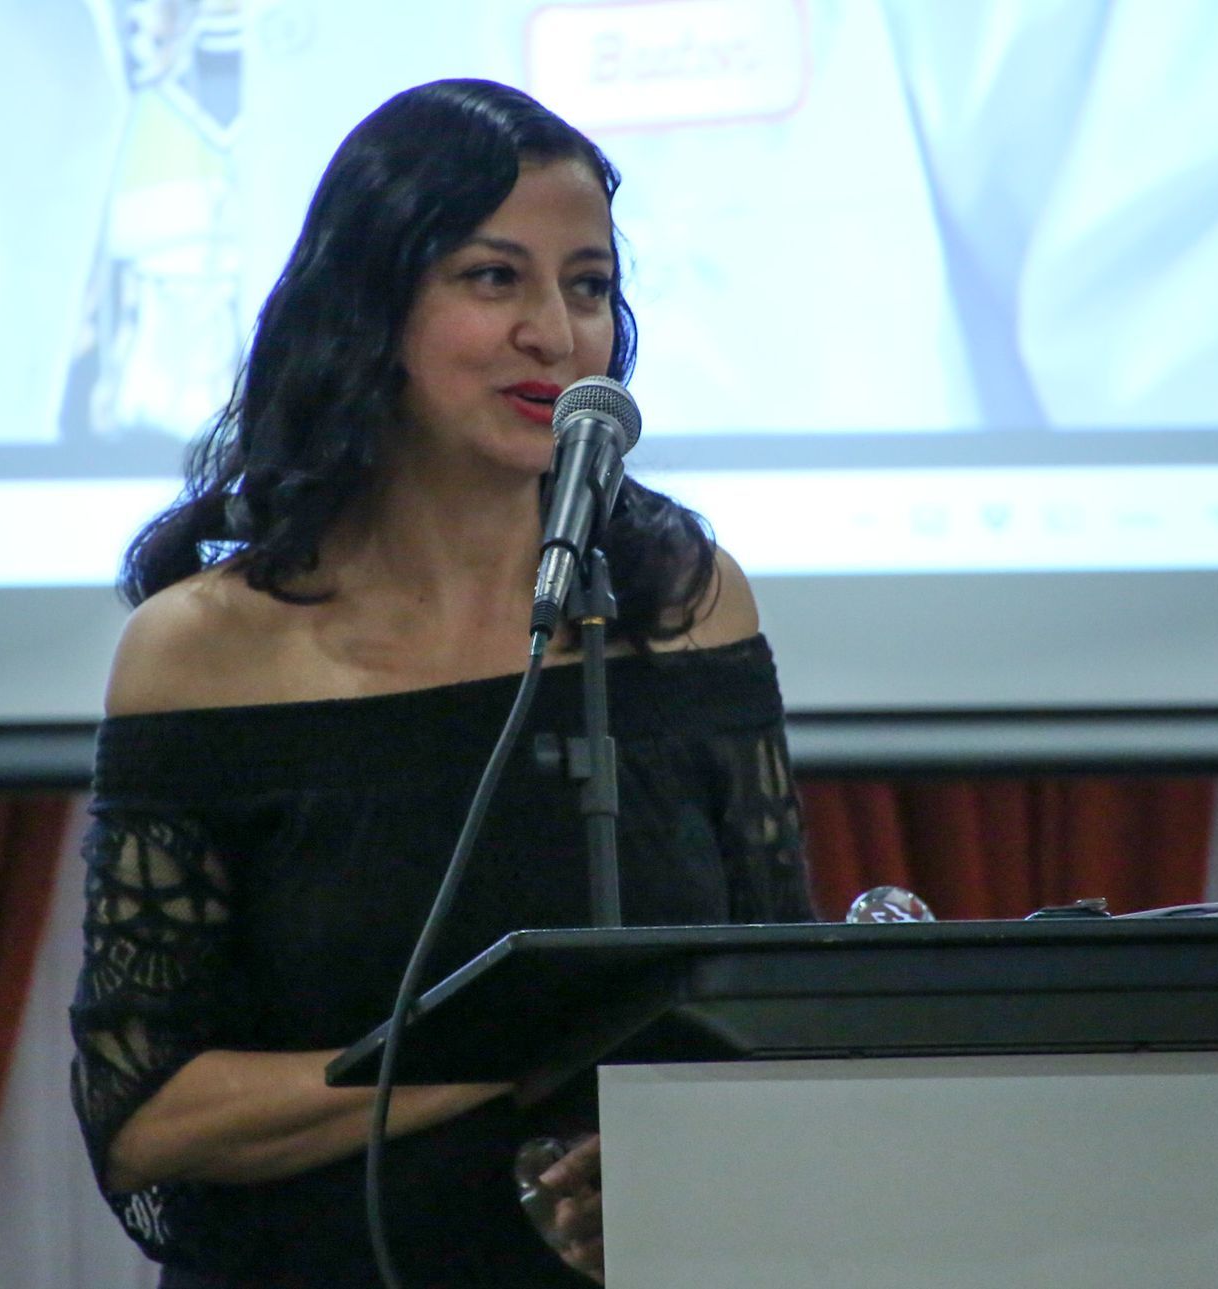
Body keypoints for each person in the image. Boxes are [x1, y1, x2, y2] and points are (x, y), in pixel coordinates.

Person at [68, 78, 815, 1288]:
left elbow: (780, 1011)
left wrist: (679, 1154)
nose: (555, 333)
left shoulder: (684, 607)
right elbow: (147, 1111)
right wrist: (509, 1052)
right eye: (492, 277)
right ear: (371, 308)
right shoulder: (203, 647)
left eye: (587, 285)